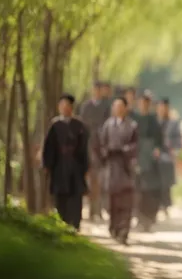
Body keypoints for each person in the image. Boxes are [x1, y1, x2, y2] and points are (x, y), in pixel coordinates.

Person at [42, 94, 89, 230]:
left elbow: (83, 148)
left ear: (71, 108)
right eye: (62, 105)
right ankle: (61, 224)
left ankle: (75, 224)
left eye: (67, 105)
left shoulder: (79, 125)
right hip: (59, 167)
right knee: (60, 197)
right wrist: (47, 165)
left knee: (75, 197)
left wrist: (85, 167)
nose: (64, 108)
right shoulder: (55, 125)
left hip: (75, 167)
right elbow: (49, 147)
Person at [99, 97, 138, 245]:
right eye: (116, 106)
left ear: (126, 108)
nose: (118, 109)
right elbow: (101, 143)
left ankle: (124, 231)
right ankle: (113, 227)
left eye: (121, 106)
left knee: (126, 202)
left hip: (126, 167)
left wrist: (124, 150)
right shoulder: (108, 125)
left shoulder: (132, 126)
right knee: (112, 201)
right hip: (111, 167)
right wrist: (106, 152)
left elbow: (135, 146)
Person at [78, 81, 110, 221]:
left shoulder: (106, 107)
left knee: (100, 180)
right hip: (88, 146)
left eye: (99, 90)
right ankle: (91, 210)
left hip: (101, 147)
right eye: (95, 90)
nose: (97, 92)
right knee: (90, 179)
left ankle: (99, 209)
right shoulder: (86, 107)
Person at [135, 91, 165, 231]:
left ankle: (150, 217)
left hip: (151, 158)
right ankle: (139, 218)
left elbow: (159, 139)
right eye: (142, 102)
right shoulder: (134, 118)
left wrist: (157, 149)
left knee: (151, 189)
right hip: (137, 156)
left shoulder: (154, 120)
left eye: (146, 102)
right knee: (138, 189)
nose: (144, 105)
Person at [157, 97, 181, 217]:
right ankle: (158, 204)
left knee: (166, 182)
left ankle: (165, 205)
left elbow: (178, 139)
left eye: (165, 107)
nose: (163, 110)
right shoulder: (155, 121)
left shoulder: (173, 123)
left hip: (168, 154)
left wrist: (174, 149)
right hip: (156, 154)